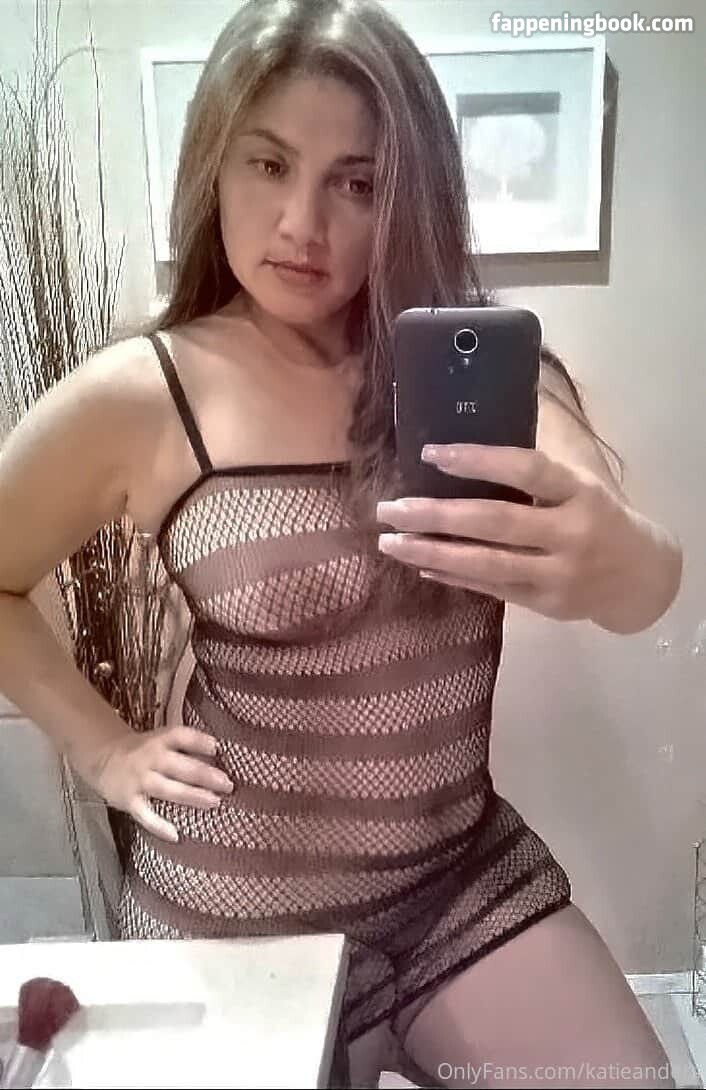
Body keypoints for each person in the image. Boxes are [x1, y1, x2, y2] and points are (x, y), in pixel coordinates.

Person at [0, 1, 682, 1086]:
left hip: (460, 887)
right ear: (214, 165)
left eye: (356, 183)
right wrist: (102, 747)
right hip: (238, 913)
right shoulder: (142, 394)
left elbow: (638, 580)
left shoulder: (479, 377)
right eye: (269, 164)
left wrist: (622, 558)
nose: (301, 224)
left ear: (408, 196)